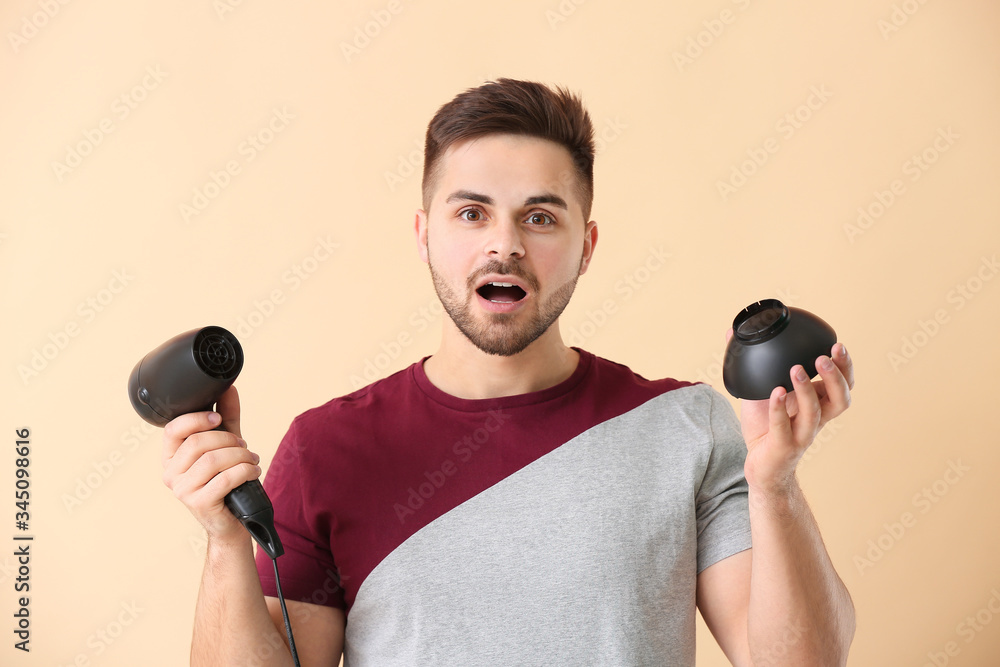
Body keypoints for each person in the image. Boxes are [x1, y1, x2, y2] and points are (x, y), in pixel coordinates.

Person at [162, 78, 856, 666]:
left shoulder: (686, 425)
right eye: (471, 213)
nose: (505, 244)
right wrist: (225, 540)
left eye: (540, 217)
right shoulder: (326, 447)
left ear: (585, 246)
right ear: (424, 234)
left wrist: (776, 484)